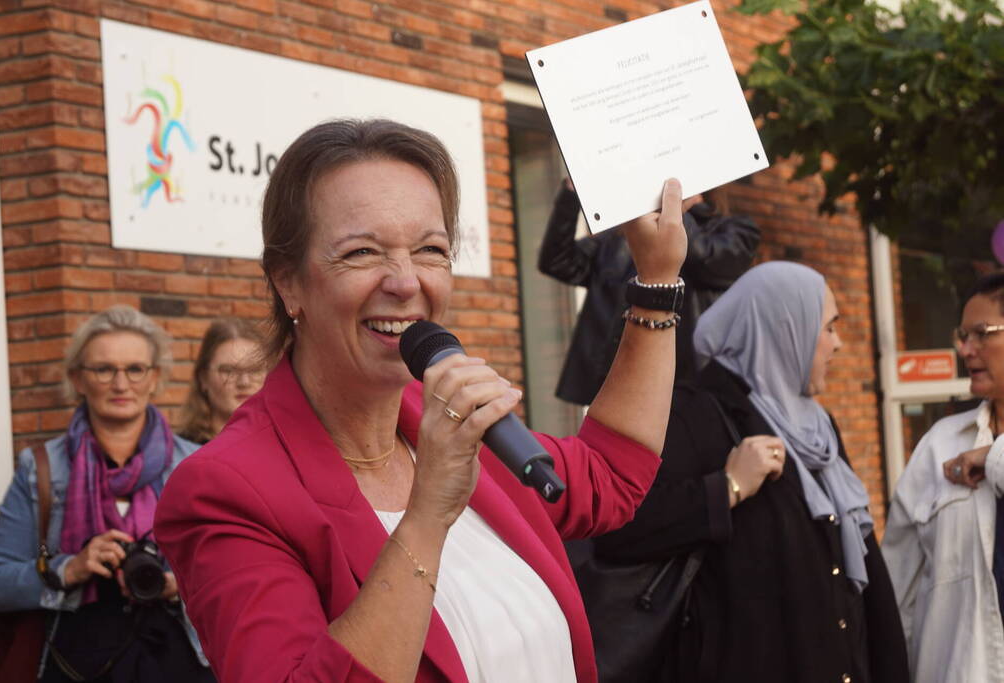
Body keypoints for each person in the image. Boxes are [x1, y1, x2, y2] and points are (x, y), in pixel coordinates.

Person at [152, 118, 687, 683]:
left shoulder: (453, 425)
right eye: (362, 252)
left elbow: (610, 476)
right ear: (288, 283)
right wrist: (428, 514)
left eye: (430, 249)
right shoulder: (225, 490)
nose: (406, 282)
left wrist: (655, 283)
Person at [590, 261, 909, 683]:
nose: (838, 344)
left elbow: (859, 567)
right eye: (828, 327)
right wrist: (726, 488)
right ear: (784, 329)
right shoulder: (694, 414)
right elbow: (620, 531)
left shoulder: (817, 428)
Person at [0, 305, 213, 682]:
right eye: (104, 369)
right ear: (78, 378)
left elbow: (231, 576)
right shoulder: (42, 468)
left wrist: (176, 586)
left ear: (155, 377)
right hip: (75, 660)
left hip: (176, 656)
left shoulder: (196, 465)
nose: (121, 384)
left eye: (135, 369)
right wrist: (68, 568)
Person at [538, 178, 759, 403]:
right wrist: (570, 195)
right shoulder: (622, 238)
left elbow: (707, 261)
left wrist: (675, 214)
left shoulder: (735, 231)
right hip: (616, 383)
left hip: (684, 390)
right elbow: (558, 262)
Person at [883, 272, 1004, 682]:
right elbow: (897, 590)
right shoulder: (940, 444)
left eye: (982, 333)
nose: (966, 349)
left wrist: (992, 457)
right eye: (963, 335)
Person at [177, 318, 268, 445]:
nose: (244, 382)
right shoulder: (181, 452)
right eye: (229, 371)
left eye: (254, 370)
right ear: (203, 378)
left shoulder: (281, 443)